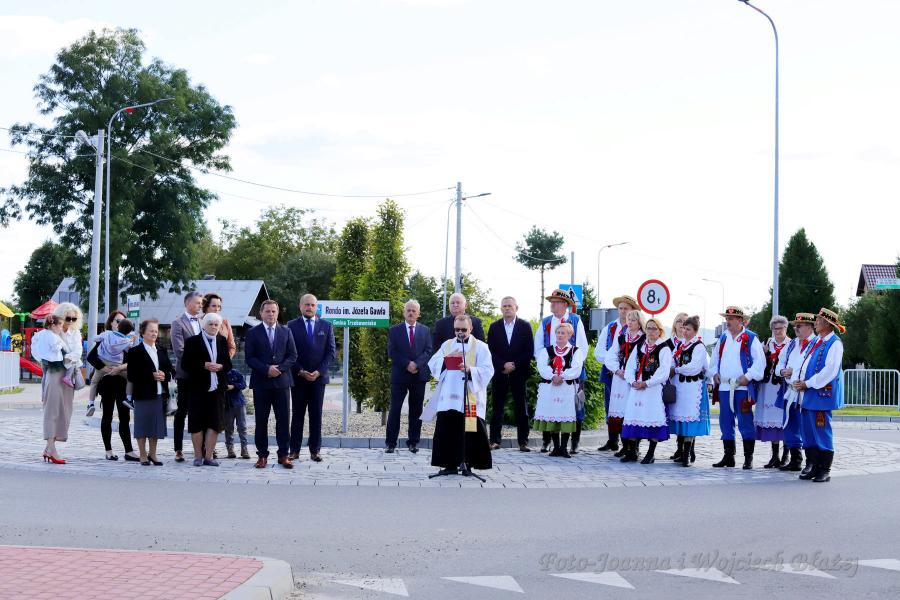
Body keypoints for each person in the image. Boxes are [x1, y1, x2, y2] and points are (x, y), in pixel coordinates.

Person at [421, 315, 494, 475]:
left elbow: (488, 370)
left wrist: (470, 370)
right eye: (456, 330)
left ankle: (468, 464)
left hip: (470, 396)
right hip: (449, 397)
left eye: (463, 329)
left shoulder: (481, 347)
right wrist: (446, 361)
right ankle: (449, 465)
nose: (460, 333)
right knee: (448, 430)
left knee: (471, 430)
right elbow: (433, 363)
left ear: (471, 329)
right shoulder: (447, 345)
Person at [708, 306, 765, 469]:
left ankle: (748, 458)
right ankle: (728, 456)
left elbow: (760, 362)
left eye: (731, 319)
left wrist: (748, 376)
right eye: (727, 318)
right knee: (725, 422)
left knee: (745, 421)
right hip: (725, 387)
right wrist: (714, 373)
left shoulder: (750, 337)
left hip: (742, 387)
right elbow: (714, 359)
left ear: (740, 320)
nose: (728, 321)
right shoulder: (723, 338)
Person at [793, 308, 845, 483]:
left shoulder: (835, 343)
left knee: (821, 431)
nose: (815, 323)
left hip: (821, 393)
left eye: (818, 320)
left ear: (828, 324)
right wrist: (800, 380)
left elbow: (830, 370)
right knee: (808, 431)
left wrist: (807, 383)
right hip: (809, 392)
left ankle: (824, 469)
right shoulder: (819, 342)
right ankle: (814, 466)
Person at [534, 289, 588, 453]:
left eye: (555, 302)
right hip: (550, 372)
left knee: (576, 405)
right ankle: (547, 441)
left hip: (572, 371)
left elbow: (583, 346)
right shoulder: (546, 322)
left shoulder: (575, 320)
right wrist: (549, 370)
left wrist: (571, 368)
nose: (552, 304)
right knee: (549, 405)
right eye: (551, 302)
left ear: (564, 304)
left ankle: (575, 441)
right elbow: (538, 346)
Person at [245, 300, 297, 469]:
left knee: (283, 420)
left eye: (273, 311)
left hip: (282, 383)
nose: (270, 314)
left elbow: (292, 356)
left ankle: (283, 455)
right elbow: (250, 358)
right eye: (267, 311)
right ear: (261, 313)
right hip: (261, 383)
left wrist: (279, 369)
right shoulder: (252, 333)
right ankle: (262, 456)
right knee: (261, 421)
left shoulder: (286, 331)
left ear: (277, 312)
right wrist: (266, 369)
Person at [286, 294, 336, 463]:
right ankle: (294, 450)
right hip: (298, 378)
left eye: (313, 305)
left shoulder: (326, 326)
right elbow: (288, 352)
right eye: (306, 304)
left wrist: (319, 372)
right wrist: (300, 370)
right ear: (300, 306)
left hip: (318, 380)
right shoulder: (291, 326)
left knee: (316, 415)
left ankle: (315, 450)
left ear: (316, 307)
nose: (309, 307)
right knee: (297, 415)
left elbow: (331, 353)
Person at [181, 312, 232, 467]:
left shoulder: (222, 341)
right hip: (197, 388)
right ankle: (198, 456)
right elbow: (185, 364)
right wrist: (203, 365)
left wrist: (221, 366)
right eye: (210, 324)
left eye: (216, 324)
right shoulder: (192, 341)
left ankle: (209, 456)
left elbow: (228, 364)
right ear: (204, 325)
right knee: (196, 422)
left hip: (217, 389)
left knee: (214, 423)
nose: (214, 327)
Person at [620, 317, 672, 464]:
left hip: (653, 389)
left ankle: (650, 453)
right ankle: (632, 451)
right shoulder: (639, 347)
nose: (651, 331)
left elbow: (663, 372)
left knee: (652, 416)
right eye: (648, 328)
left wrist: (647, 383)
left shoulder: (664, 348)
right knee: (634, 415)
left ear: (660, 331)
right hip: (637, 387)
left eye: (654, 328)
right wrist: (632, 381)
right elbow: (630, 367)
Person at [91, 311, 140, 461]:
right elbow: (91, 357)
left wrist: (120, 368)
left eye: (123, 321)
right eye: (117, 321)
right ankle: (109, 450)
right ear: (111, 323)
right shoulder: (106, 337)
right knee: (107, 414)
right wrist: (107, 369)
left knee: (125, 416)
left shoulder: (128, 340)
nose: (120, 323)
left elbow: (135, 360)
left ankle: (129, 451)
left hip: (122, 381)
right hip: (107, 381)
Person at [487, 296, 534, 451]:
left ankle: (523, 442)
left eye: (510, 306)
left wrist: (514, 364)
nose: (507, 308)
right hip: (500, 373)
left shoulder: (525, 326)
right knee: (497, 408)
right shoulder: (494, 327)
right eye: (504, 306)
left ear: (516, 308)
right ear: (501, 308)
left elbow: (529, 351)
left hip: (519, 372)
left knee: (521, 408)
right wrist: (503, 365)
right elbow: (490, 351)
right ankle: (494, 441)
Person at [385, 300, 432, 453]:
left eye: (414, 310)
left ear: (418, 313)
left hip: (418, 376)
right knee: (395, 409)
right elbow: (392, 352)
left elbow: (428, 350)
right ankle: (391, 443)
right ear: (404, 312)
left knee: (416, 410)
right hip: (400, 375)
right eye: (408, 310)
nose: (411, 313)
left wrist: (416, 364)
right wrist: (407, 364)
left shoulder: (425, 330)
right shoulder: (394, 330)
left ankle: (413, 442)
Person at [596, 295, 640, 452]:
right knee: (611, 405)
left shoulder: (638, 330)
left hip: (631, 374)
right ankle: (612, 440)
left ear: (632, 311)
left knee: (629, 407)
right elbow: (599, 350)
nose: (622, 311)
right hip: (611, 372)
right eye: (620, 308)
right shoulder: (610, 328)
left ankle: (628, 443)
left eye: (626, 308)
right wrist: (613, 364)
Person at [126, 319, 172, 466]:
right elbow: (132, 375)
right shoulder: (135, 352)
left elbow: (171, 370)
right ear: (143, 332)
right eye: (151, 331)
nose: (154, 333)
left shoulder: (161, 350)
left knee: (155, 426)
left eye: (156, 331)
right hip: (143, 394)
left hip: (160, 394)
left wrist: (165, 375)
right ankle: (143, 454)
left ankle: (153, 454)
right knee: (142, 425)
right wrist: (150, 376)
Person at [774, 313, 817, 472]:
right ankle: (795, 459)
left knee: (807, 427)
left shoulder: (816, 344)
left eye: (800, 325)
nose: (796, 328)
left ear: (810, 326)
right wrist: (782, 371)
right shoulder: (791, 344)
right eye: (795, 326)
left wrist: (798, 374)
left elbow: (816, 368)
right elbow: (779, 363)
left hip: (806, 391)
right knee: (790, 426)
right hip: (790, 391)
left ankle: (811, 462)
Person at [533, 323, 583, 458]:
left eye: (563, 333)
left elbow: (576, 368)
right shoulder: (547, 351)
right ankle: (556, 447)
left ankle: (564, 448)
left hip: (566, 388)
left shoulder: (575, 351)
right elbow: (542, 367)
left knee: (565, 416)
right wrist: (553, 376)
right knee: (553, 415)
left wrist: (563, 376)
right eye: (558, 333)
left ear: (569, 335)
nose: (560, 335)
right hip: (550, 388)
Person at [603, 309, 646, 458]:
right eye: (628, 319)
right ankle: (624, 445)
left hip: (635, 379)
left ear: (639, 323)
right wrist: (617, 370)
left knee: (633, 411)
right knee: (620, 411)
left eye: (633, 320)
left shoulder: (644, 338)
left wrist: (632, 374)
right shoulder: (621, 337)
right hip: (620, 379)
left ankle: (634, 446)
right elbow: (610, 356)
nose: (630, 322)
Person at [668, 316, 710, 467]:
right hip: (680, 387)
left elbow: (694, 367)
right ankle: (683, 452)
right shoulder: (680, 346)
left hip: (693, 387)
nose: (685, 331)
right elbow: (672, 360)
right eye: (684, 328)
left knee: (690, 419)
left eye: (688, 329)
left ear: (695, 331)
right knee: (681, 418)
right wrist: (670, 368)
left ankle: (686, 455)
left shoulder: (699, 346)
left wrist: (676, 370)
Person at [170, 291, 204, 462]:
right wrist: (200, 364)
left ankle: (202, 447)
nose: (200, 305)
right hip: (186, 374)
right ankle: (178, 448)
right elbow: (179, 351)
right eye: (197, 303)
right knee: (182, 411)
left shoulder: (203, 321)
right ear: (188, 303)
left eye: (201, 303)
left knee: (200, 411)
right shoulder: (178, 323)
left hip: (204, 375)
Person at [30, 316, 68, 464]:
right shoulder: (50, 336)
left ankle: (48, 449)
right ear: (53, 325)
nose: (61, 328)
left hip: (57, 375)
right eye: (60, 325)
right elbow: (54, 350)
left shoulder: (42, 336)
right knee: (52, 412)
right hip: (54, 374)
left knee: (57, 412)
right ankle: (51, 449)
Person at [756, 315, 791, 468]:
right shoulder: (768, 343)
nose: (777, 331)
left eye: (780, 328)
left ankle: (786, 455)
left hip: (783, 386)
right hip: (768, 385)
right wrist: (763, 353)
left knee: (784, 420)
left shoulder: (791, 344)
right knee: (771, 420)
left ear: (786, 328)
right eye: (774, 328)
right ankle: (774, 456)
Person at [666, 312, 689, 461]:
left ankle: (688, 449)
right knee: (676, 416)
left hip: (688, 383)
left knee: (687, 416)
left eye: (685, 322)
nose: (682, 324)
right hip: (673, 382)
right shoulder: (669, 343)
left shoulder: (693, 342)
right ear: (674, 324)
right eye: (679, 321)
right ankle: (679, 448)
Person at [224, 367, 250, 459]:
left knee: (242, 427)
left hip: (239, 403)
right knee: (228, 427)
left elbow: (244, 384)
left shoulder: (235, 372)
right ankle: (230, 449)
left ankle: (244, 449)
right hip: (227, 404)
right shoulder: (219, 374)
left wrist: (233, 386)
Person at [202, 293, 237, 358]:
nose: (217, 309)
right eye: (214, 306)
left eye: (219, 306)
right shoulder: (198, 322)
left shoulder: (225, 322)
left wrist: (225, 360)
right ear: (206, 306)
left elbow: (232, 347)